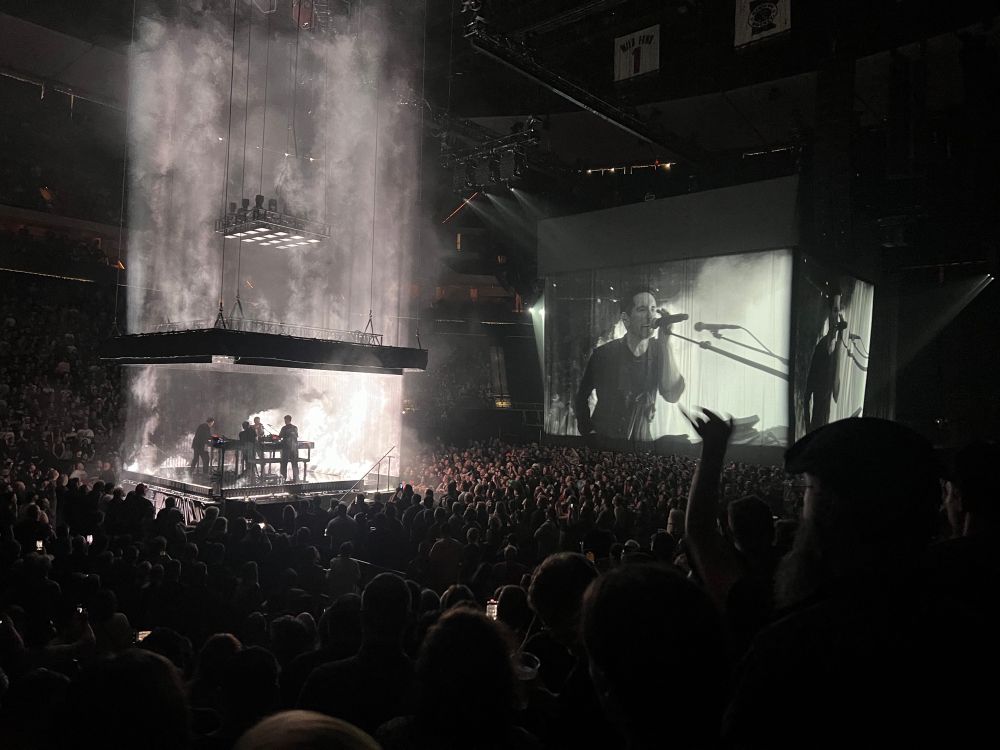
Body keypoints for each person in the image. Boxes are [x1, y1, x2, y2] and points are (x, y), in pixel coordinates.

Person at [574, 288, 685, 444]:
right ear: (626, 319)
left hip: (642, 443)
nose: (650, 316)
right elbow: (581, 397)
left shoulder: (659, 351)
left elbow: (672, 394)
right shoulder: (604, 354)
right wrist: (588, 431)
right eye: (642, 309)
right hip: (606, 441)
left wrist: (666, 344)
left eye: (653, 309)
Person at [804, 292, 845, 432]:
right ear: (828, 313)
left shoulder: (834, 343)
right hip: (817, 423)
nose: (837, 316)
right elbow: (808, 392)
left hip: (827, 420)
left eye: (838, 311)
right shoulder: (821, 347)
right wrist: (807, 425)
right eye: (835, 311)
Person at [278, 415, 299, 483]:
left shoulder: (284, 428)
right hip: (293, 449)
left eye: (285, 420)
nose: (285, 421)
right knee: (294, 463)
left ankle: (284, 478)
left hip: (286, 448)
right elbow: (296, 436)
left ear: (288, 420)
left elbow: (280, 436)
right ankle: (295, 478)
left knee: (284, 463)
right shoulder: (294, 427)